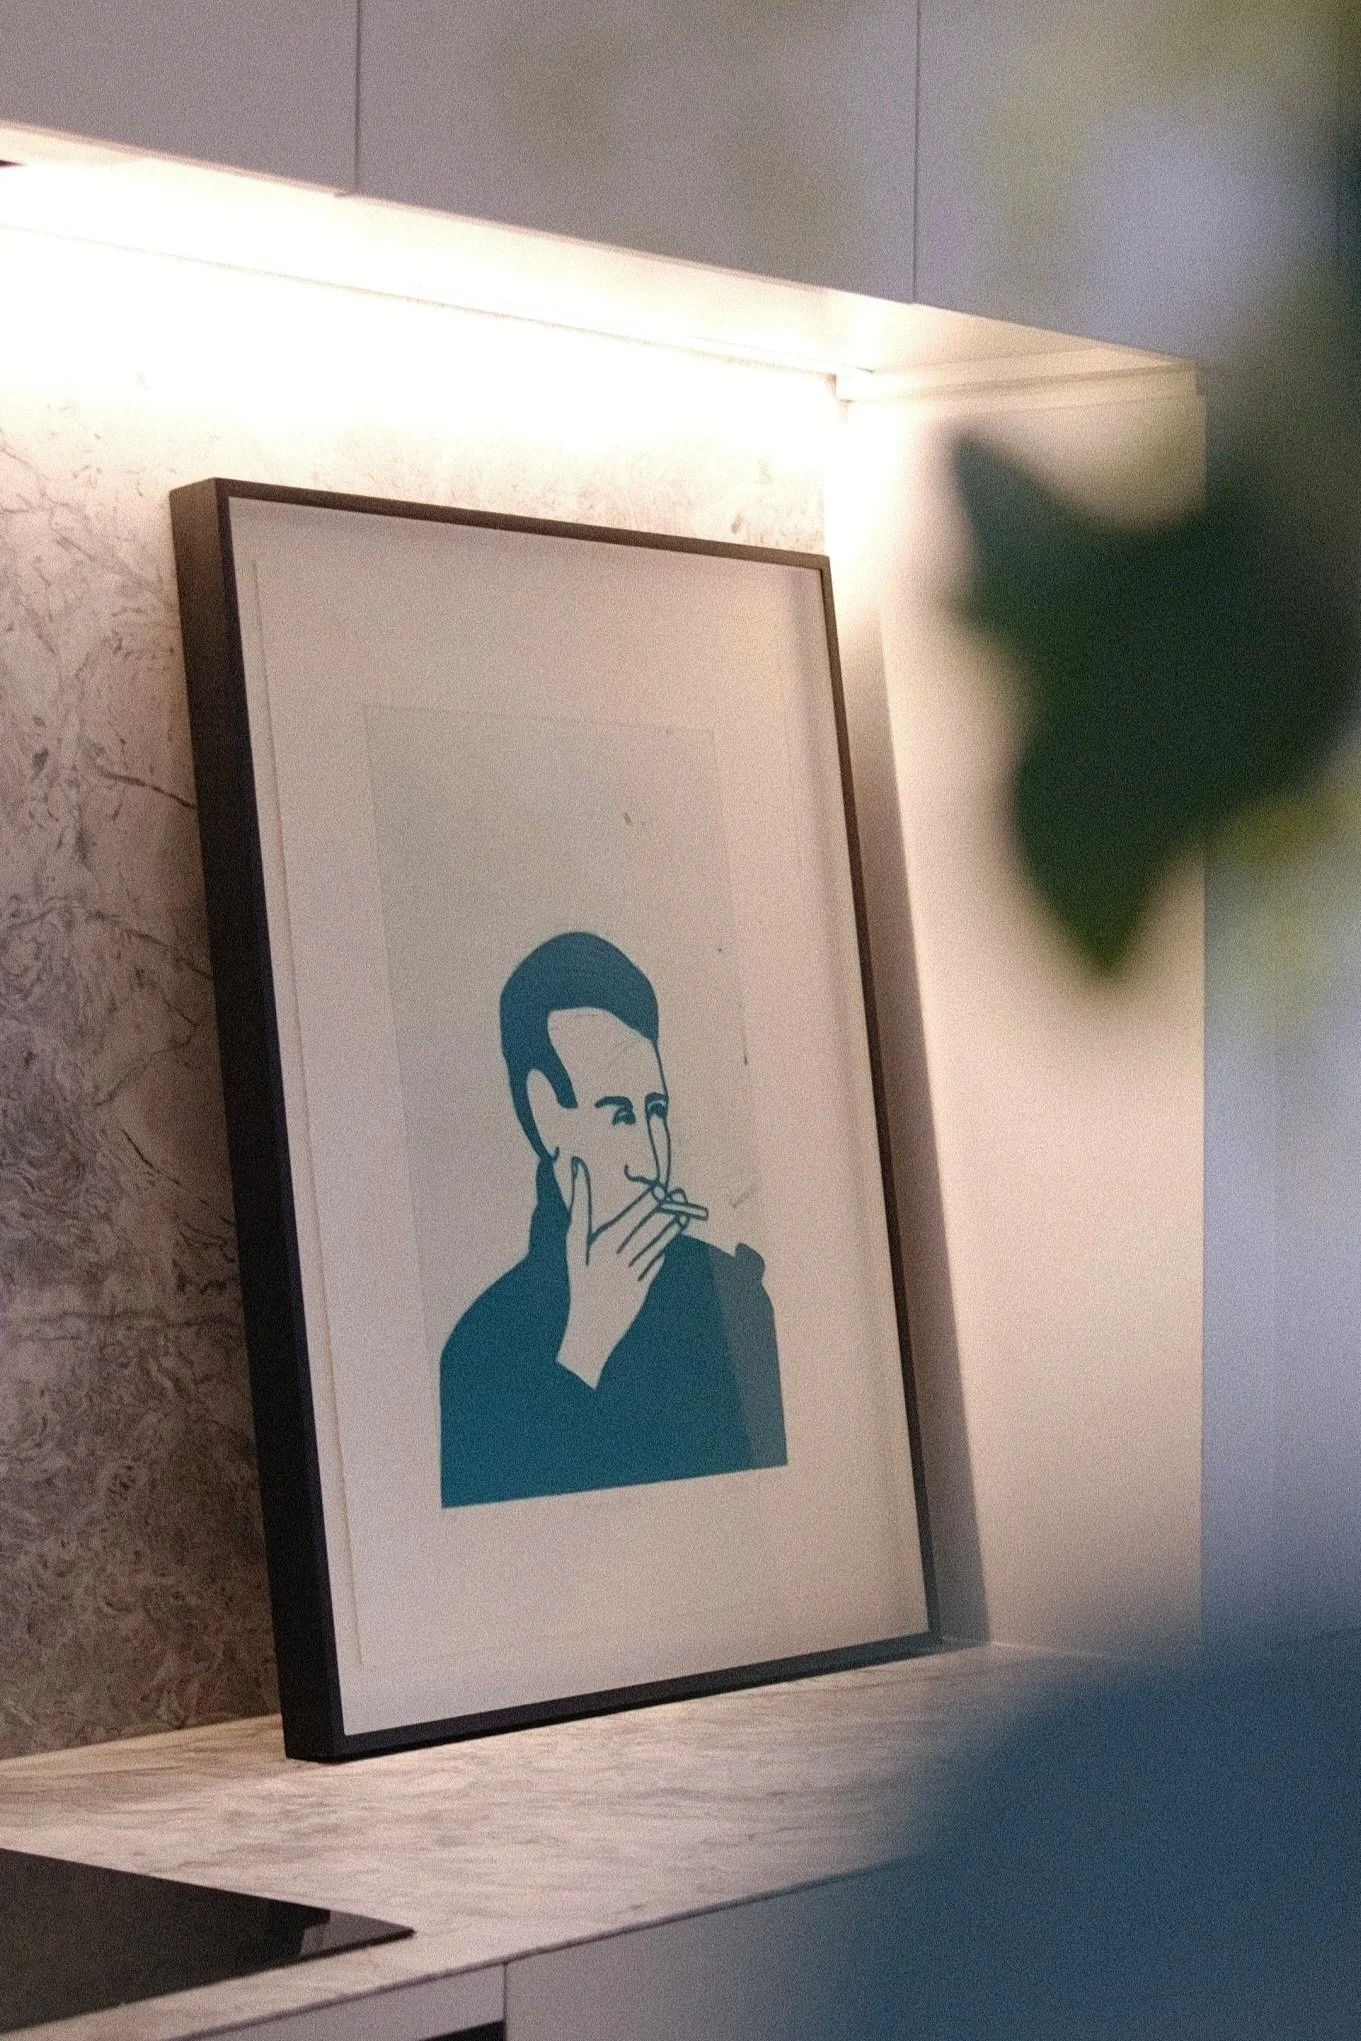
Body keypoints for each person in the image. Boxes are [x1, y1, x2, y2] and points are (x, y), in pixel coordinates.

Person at [440, 931, 787, 1507]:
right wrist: (583, 1349)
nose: (651, 1161)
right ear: (547, 1116)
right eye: (620, 1116)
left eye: (657, 1111)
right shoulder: (480, 1352)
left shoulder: (734, 1303)